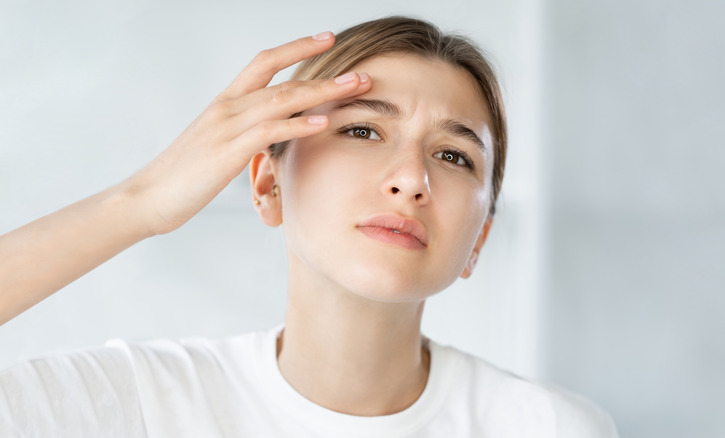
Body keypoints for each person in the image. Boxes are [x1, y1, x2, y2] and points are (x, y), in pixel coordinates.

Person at [0, 16, 618, 437]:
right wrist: (140, 203)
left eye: (454, 156)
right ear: (267, 184)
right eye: (363, 130)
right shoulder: (137, 403)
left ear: (478, 238)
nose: (412, 180)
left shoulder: (545, 427)